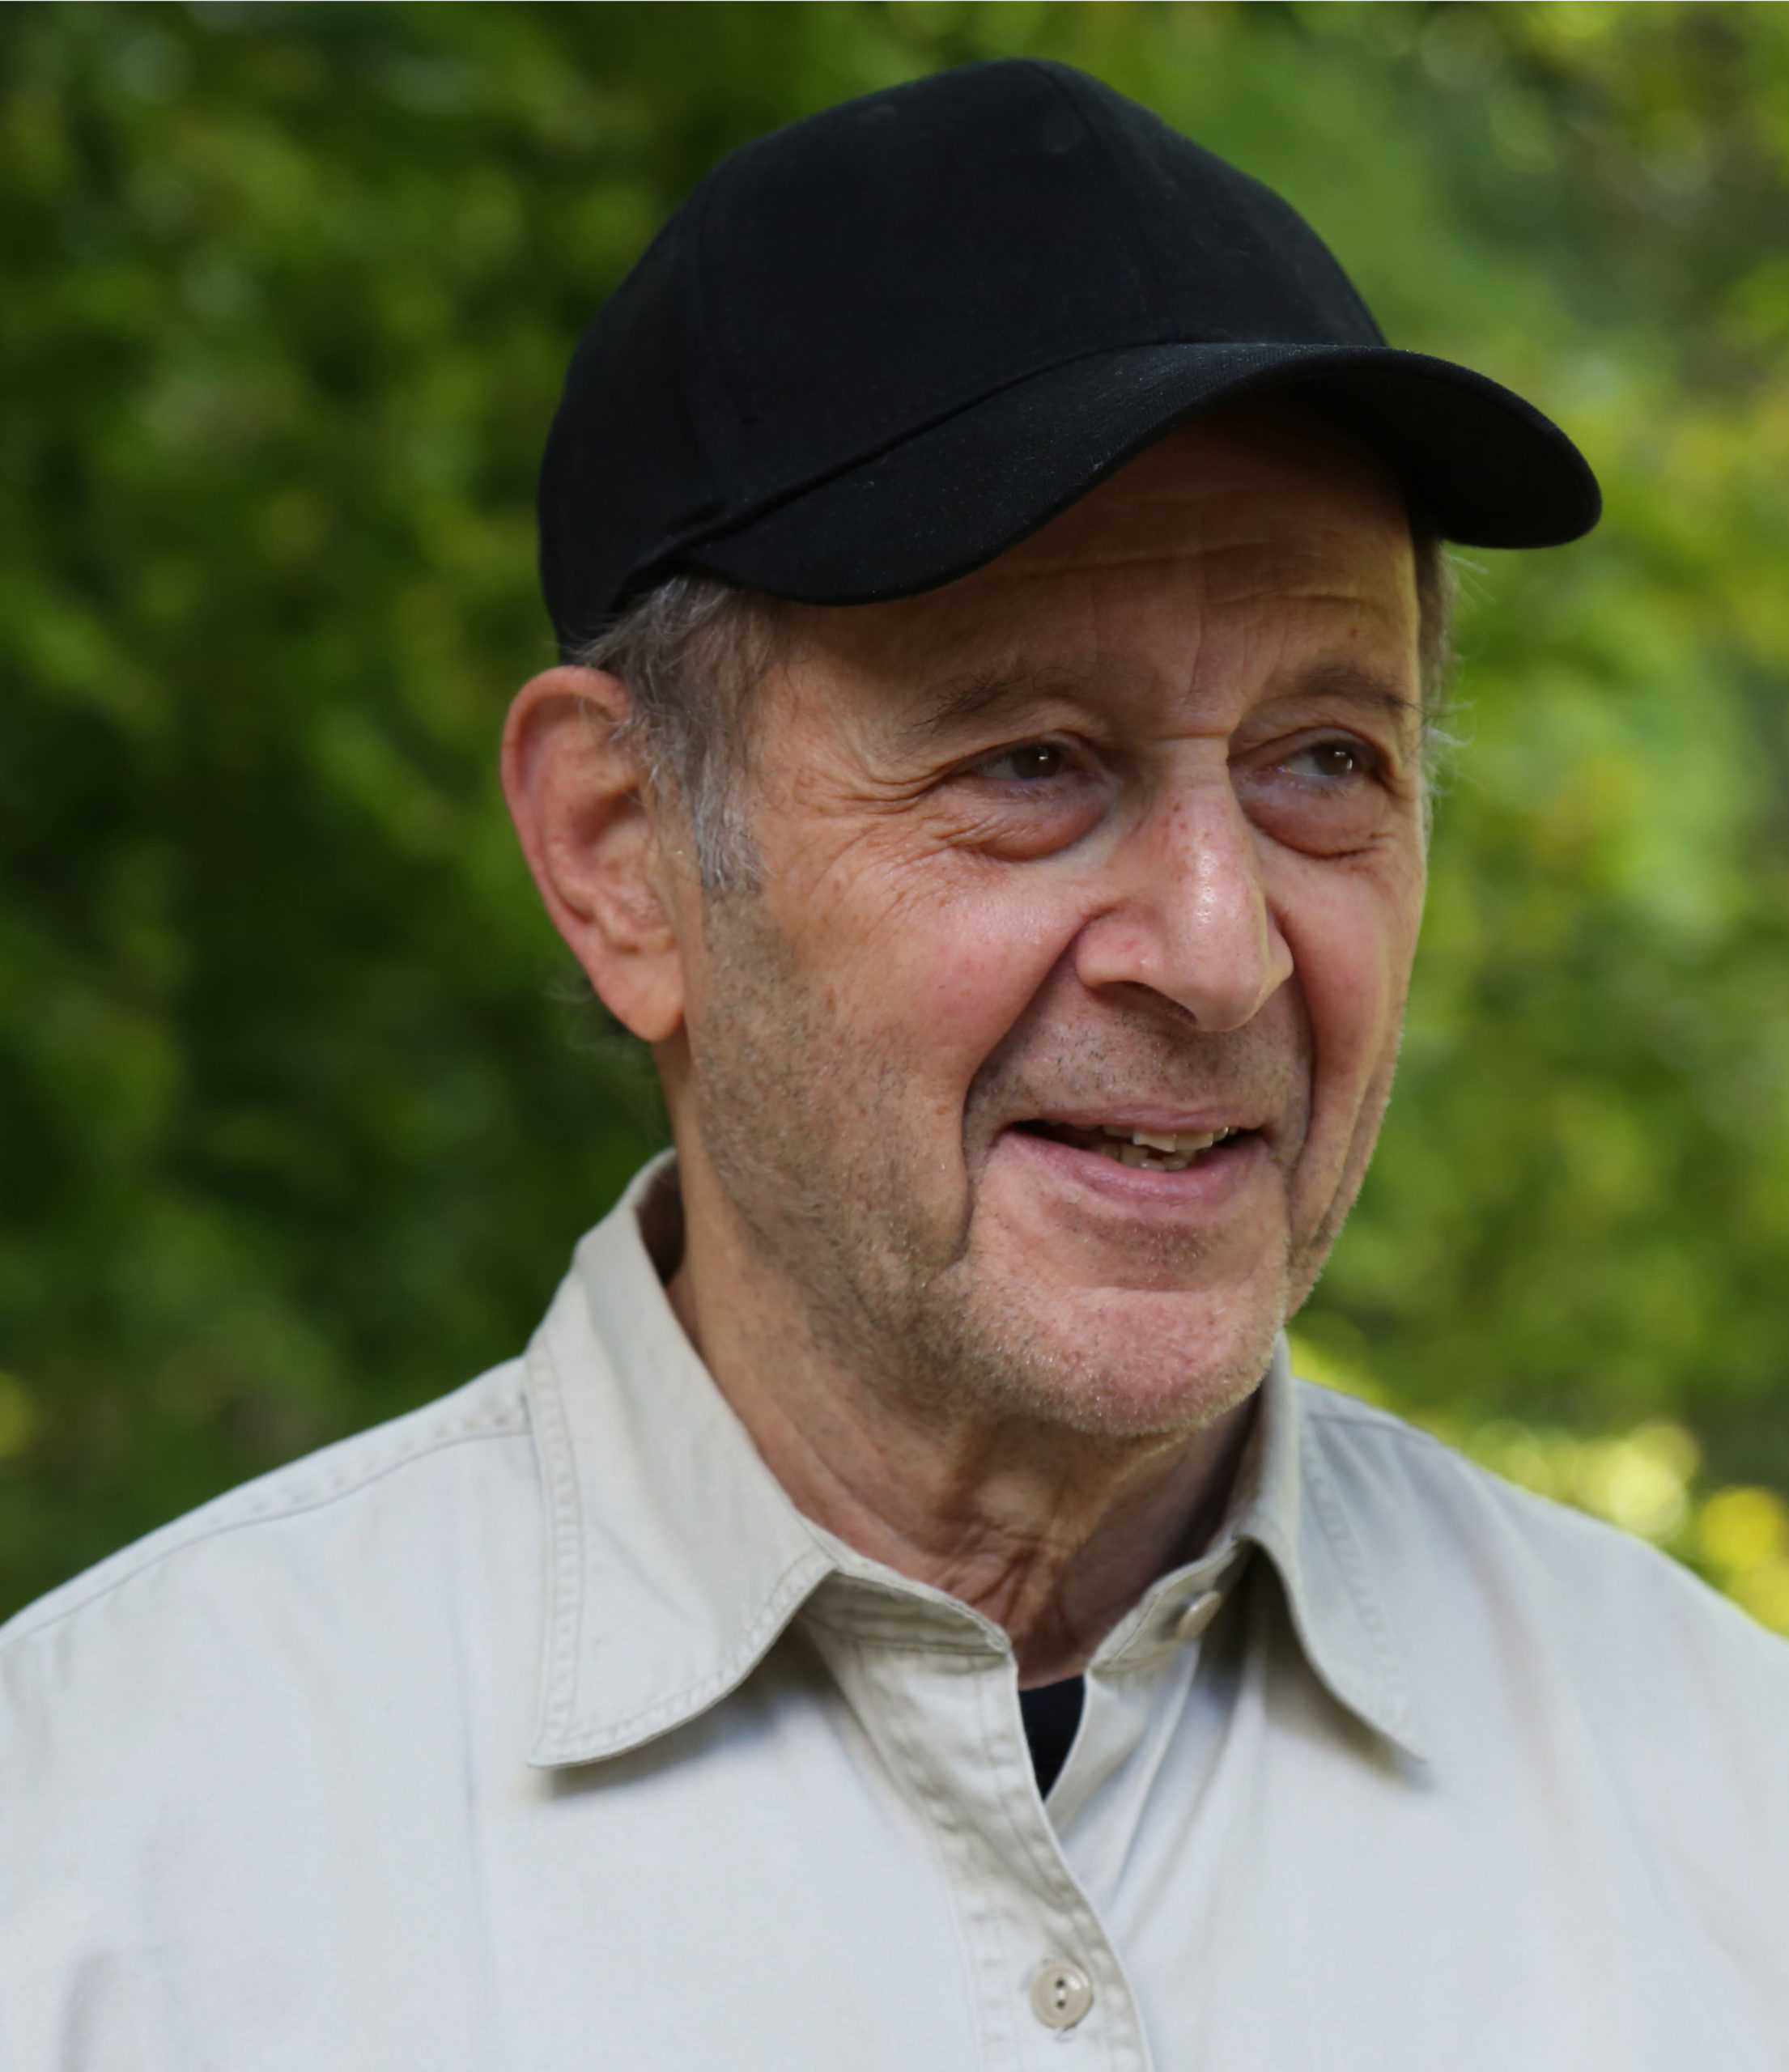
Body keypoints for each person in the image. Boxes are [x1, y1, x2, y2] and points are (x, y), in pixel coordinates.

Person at [4, 57, 1786, 2072]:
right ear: (621, 853)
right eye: (1031, 761)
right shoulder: (104, 1873)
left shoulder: (1727, 1817)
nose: (1217, 947)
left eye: (1323, 763)